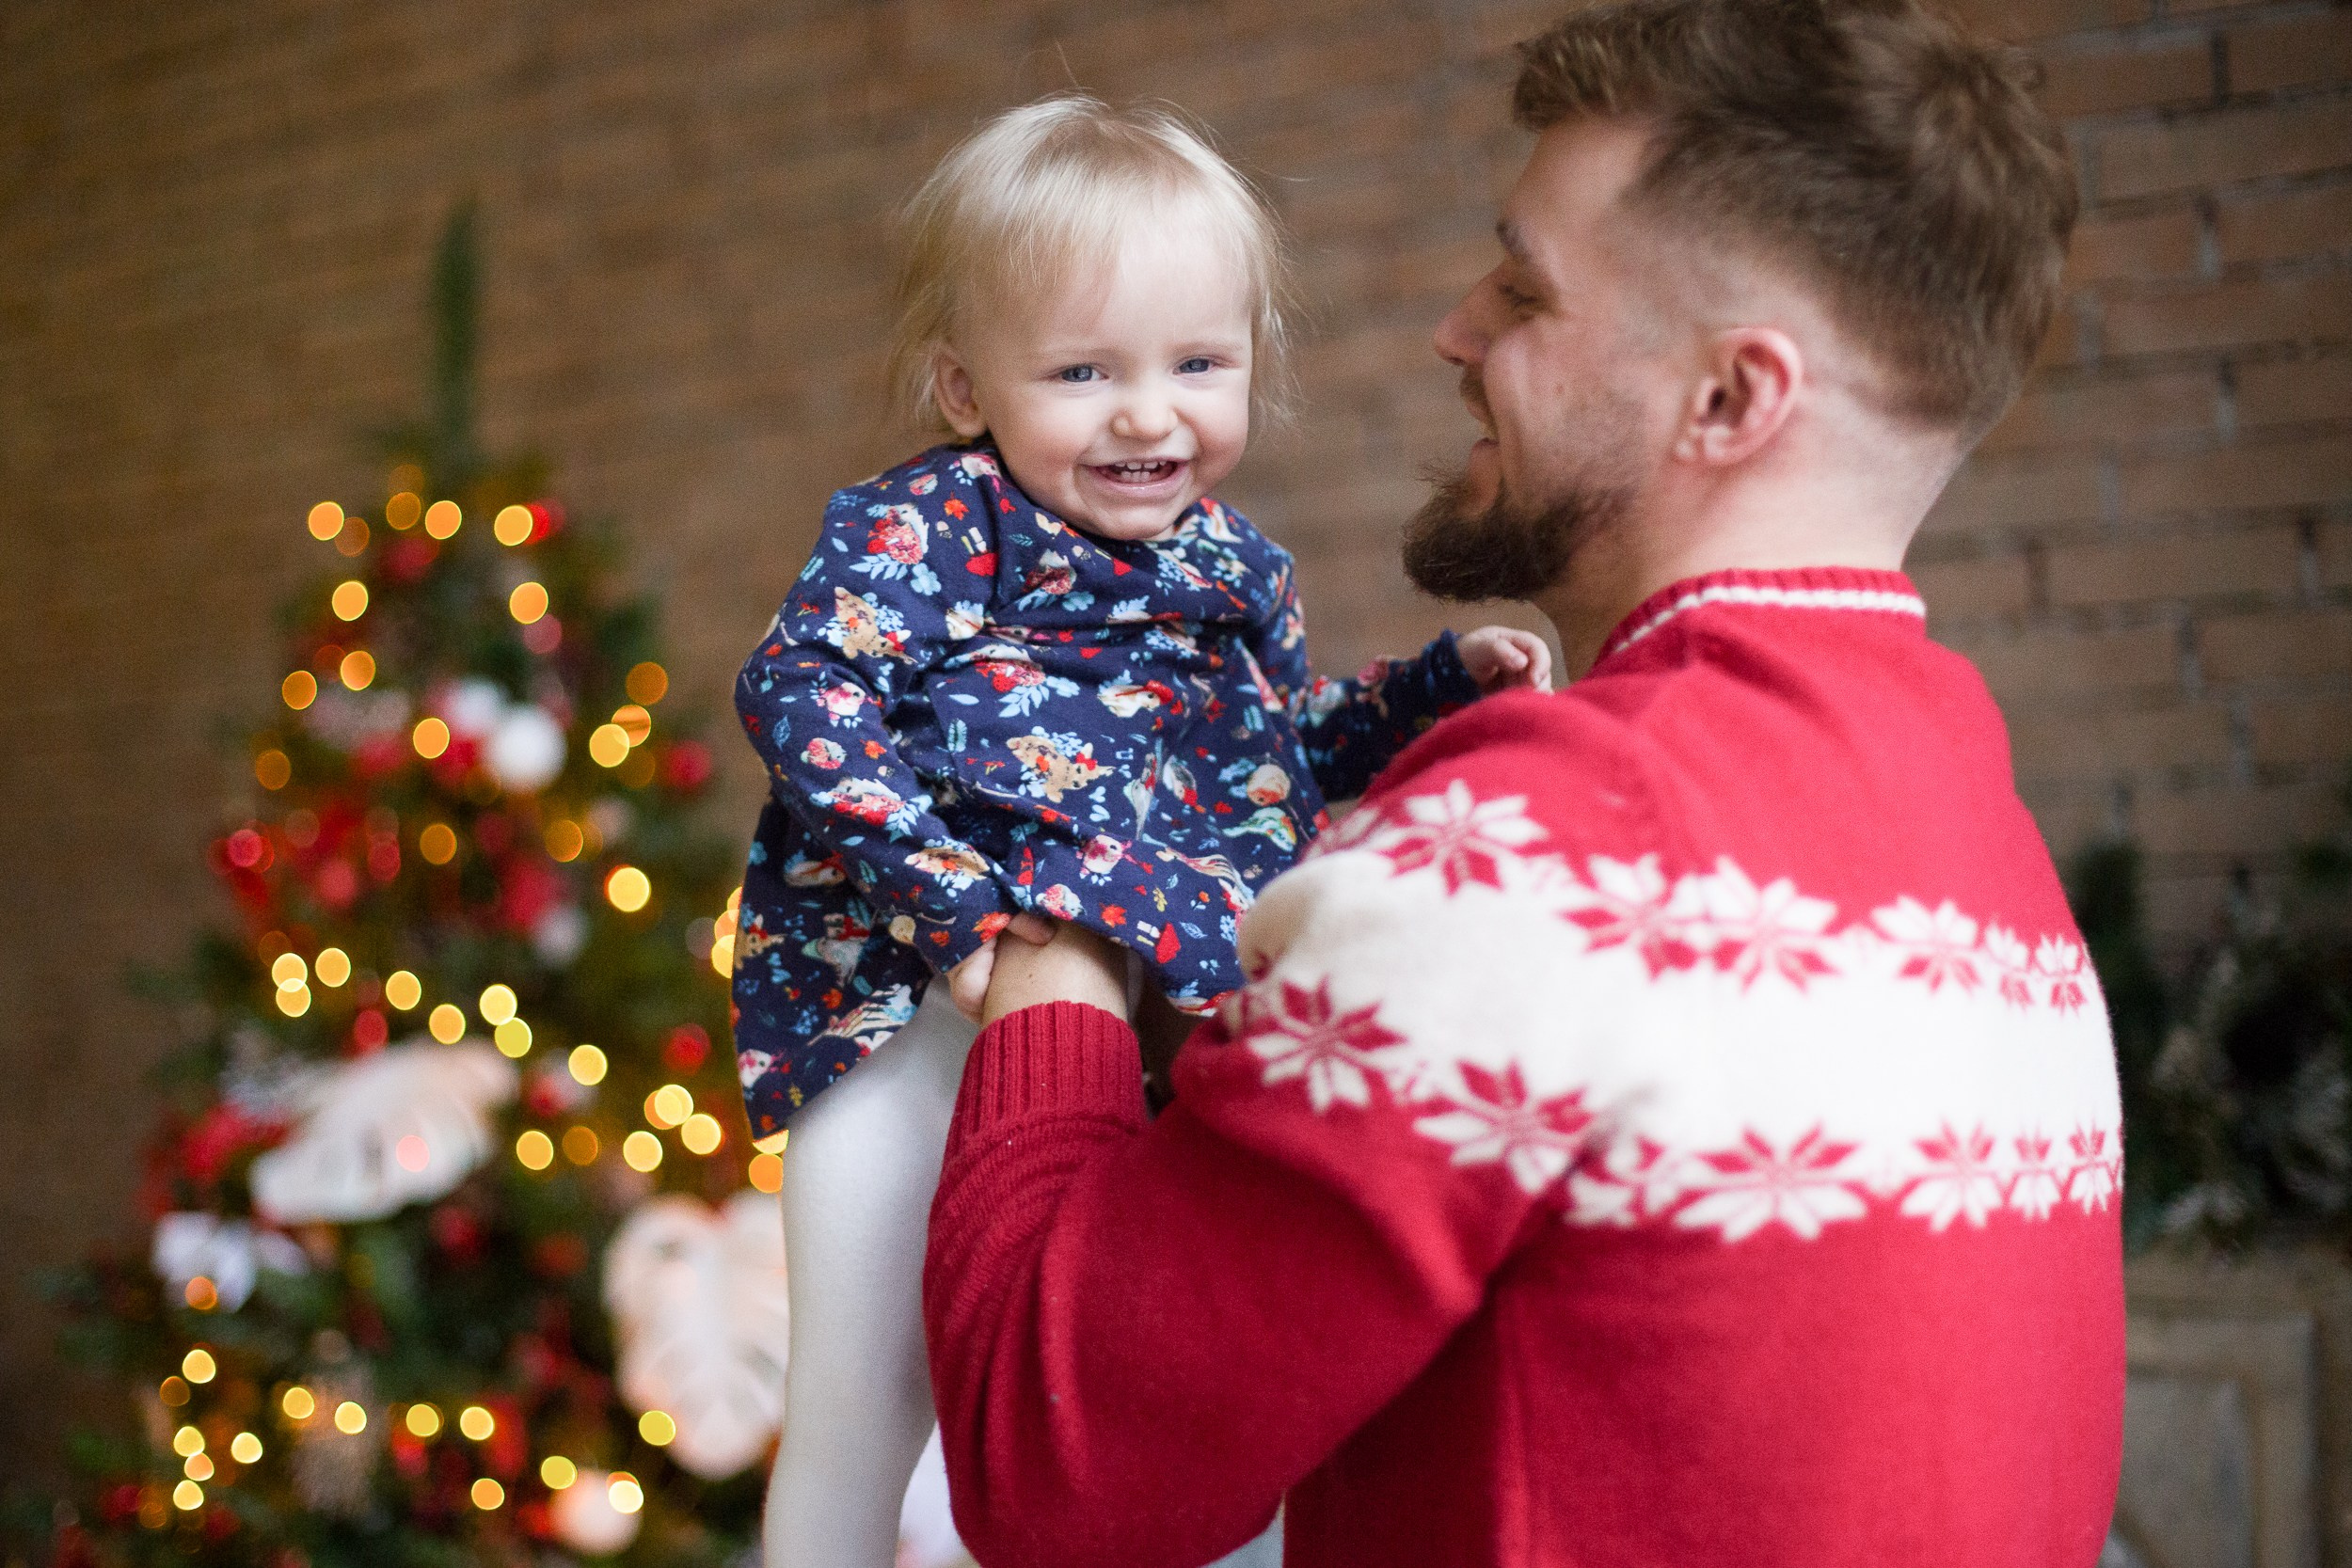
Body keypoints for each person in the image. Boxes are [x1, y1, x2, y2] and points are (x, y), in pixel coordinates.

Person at [924, 4, 2122, 1566]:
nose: (1456, 330)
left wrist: (1055, 943)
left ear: (1730, 400)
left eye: (1525, 289)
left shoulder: (1539, 849)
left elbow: (1053, 1469)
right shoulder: (1990, 853)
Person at [729, 97, 1549, 1568]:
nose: (1149, 416)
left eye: (1197, 364)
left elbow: (1268, 761)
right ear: (964, 386)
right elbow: (801, 691)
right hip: (913, 1012)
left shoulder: (1238, 569)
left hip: (1161, 1030)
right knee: (867, 1399)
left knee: (1161, 1403)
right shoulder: (935, 529)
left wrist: (1429, 692)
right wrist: (950, 903)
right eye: (1082, 371)